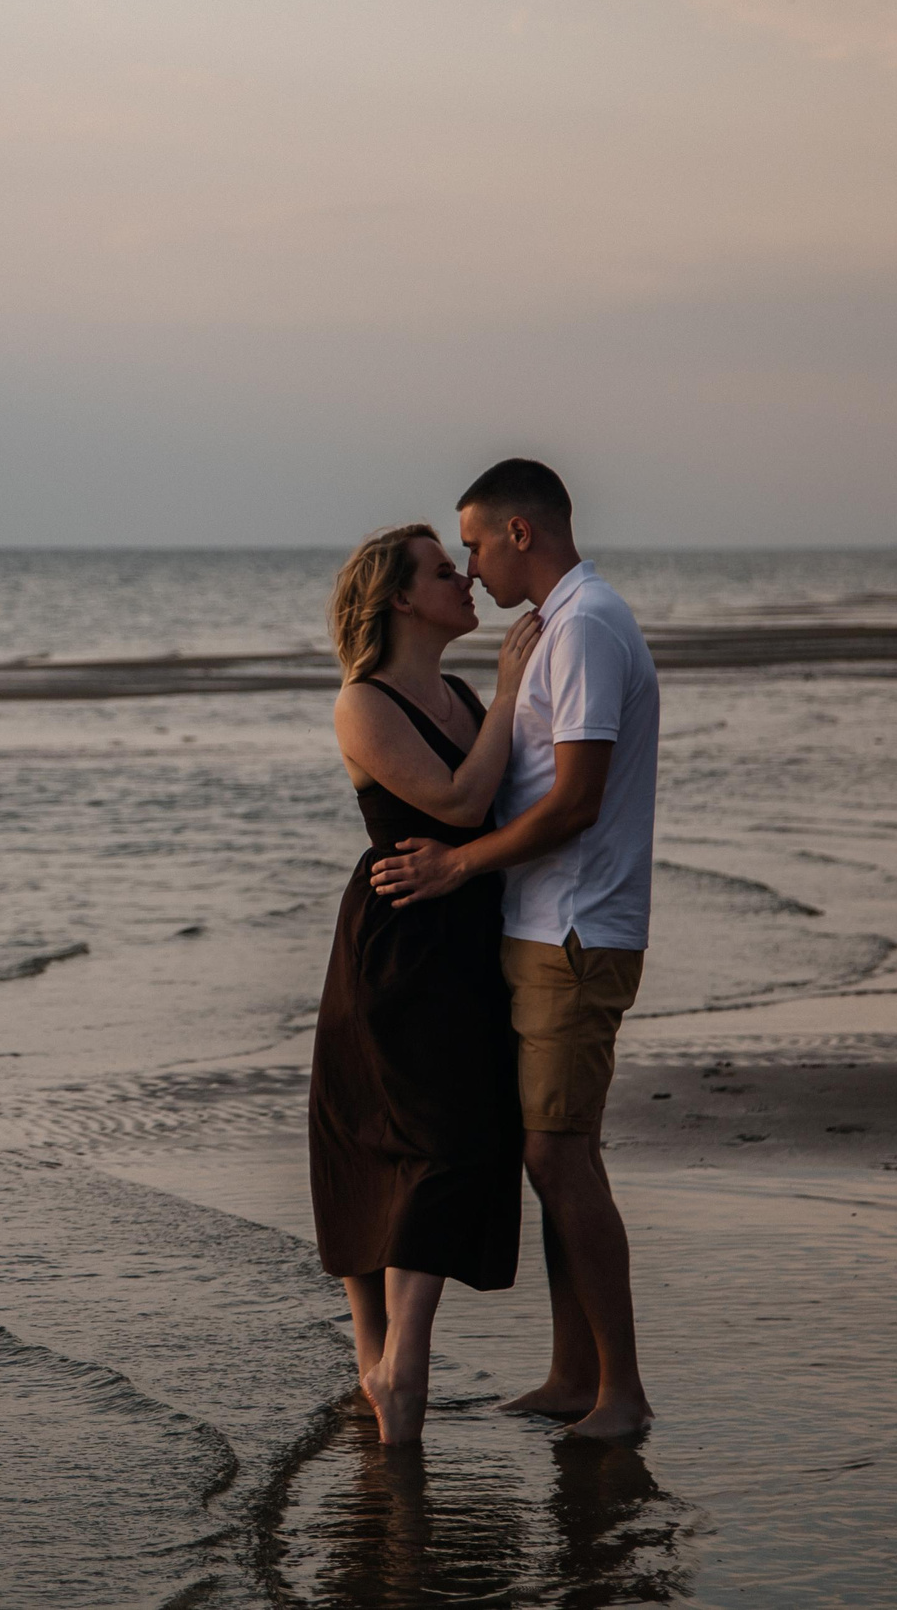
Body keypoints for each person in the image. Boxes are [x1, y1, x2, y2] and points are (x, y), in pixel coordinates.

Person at [369, 459, 661, 1441]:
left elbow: (575, 802)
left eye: (476, 542)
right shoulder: (559, 631)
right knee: (553, 1154)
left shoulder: (581, 627)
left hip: (574, 930)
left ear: (521, 534)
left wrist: (456, 866)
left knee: (558, 1153)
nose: (471, 562)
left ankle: (620, 1390)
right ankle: (572, 1375)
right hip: (542, 925)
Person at [310, 522, 543, 1445]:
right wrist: (514, 693)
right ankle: (392, 1363)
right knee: (371, 1140)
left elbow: (490, 807)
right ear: (402, 598)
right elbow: (459, 803)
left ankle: (388, 1367)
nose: (468, 579)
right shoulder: (361, 703)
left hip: (467, 940)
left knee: (444, 1141)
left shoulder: (453, 691)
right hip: (395, 949)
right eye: (446, 571)